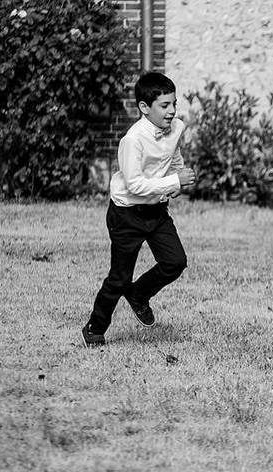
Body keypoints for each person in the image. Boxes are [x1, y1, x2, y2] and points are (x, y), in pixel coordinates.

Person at [82, 72, 196, 349]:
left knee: (175, 262)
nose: (171, 111)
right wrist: (173, 181)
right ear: (145, 108)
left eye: (174, 104)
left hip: (156, 210)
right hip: (127, 214)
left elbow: (173, 154)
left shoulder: (177, 127)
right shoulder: (132, 140)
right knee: (119, 277)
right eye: (164, 105)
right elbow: (134, 185)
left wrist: (178, 176)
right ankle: (95, 328)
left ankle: (139, 295)